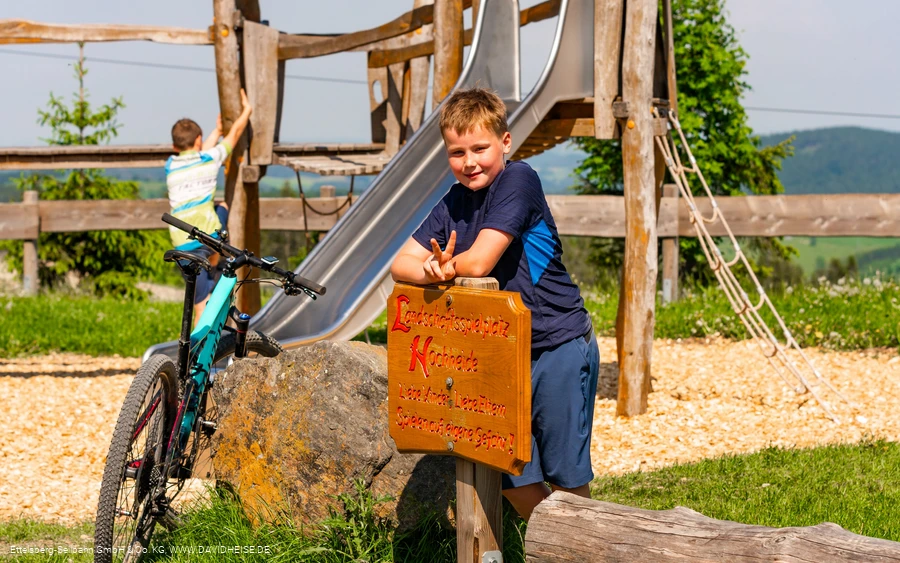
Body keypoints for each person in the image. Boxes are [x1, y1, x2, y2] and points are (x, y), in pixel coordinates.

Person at [390, 87, 600, 521]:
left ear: (505, 143)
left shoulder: (518, 179)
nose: (469, 162)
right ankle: (561, 544)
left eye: (480, 148)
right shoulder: (454, 201)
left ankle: (585, 544)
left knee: (566, 476)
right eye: (456, 152)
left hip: (554, 343)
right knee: (512, 475)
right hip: (498, 352)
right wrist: (437, 266)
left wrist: (440, 268)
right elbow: (399, 265)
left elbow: (482, 260)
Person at [166, 89, 252, 320]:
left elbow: (198, 151)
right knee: (222, 207)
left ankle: (194, 353)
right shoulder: (210, 159)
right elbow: (232, 139)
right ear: (199, 141)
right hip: (207, 238)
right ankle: (216, 262)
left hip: (181, 244)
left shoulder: (171, 165)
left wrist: (216, 131)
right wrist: (246, 112)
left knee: (199, 304)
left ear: (175, 147)